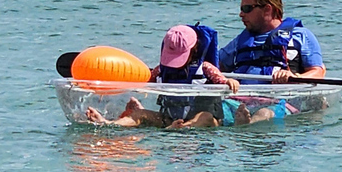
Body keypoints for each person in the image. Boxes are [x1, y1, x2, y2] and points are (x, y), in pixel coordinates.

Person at [85, 24, 239, 129]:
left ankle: (183, 128)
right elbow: (145, 83)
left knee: (205, 117)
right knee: (140, 114)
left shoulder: (204, 68)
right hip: (168, 119)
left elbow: (222, 80)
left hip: (201, 120)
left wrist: (229, 81)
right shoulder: (161, 70)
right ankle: (109, 123)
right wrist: (112, 89)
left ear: (194, 50)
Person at [219, 0, 326, 124]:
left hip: (280, 102)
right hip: (240, 101)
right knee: (214, 112)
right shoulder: (241, 41)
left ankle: (248, 126)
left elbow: (318, 72)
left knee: (264, 113)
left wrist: (294, 76)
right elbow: (217, 66)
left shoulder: (300, 36)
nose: (241, 14)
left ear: (267, 10)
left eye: (247, 9)